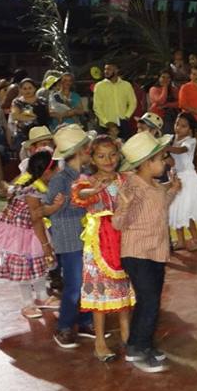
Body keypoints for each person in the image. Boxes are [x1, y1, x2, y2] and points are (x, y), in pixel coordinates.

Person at [112, 131, 181, 373]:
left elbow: (160, 206)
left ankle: (140, 344)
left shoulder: (154, 186)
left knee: (150, 301)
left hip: (156, 250)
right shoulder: (132, 187)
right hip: (137, 252)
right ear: (146, 163)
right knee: (149, 300)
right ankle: (138, 350)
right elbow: (118, 223)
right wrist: (124, 206)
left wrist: (173, 189)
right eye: (161, 159)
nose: (165, 163)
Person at [71, 135, 135, 362]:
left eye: (112, 155)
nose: (108, 160)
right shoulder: (87, 181)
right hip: (99, 242)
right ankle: (99, 342)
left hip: (123, 239)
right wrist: (93, 191)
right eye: (101, 156)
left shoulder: (125, 178)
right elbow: (78, 195)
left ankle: (127, 336)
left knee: (124, 289)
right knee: (100, 291)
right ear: (92, 159)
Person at [0, 150, 62, 320]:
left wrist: (54, 207)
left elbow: (39, 211)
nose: (59, 171)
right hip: (20, 234)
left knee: (38, 265)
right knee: (25, 268)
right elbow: (36, 217)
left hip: (27, 229)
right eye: (56, 169)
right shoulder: (33, 190)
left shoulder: (28, 181)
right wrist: (46, 245)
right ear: (47, 172)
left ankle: (42, 296)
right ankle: (27, 303)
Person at [44, 125, 94, 350]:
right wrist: (72, 201)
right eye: (87, 147)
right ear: (81, 150)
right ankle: (64, 326)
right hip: (69, 237)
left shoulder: (87, 175)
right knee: (74, 285)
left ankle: (85, 321)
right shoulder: (60, 179)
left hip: (87, 235)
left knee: (88, 281)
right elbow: (50, 209)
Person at [167, 112, 197, 252]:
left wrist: (165, 148)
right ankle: (181, 241)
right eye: (177, 124)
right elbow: (172, 160)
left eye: (183, 126)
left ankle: (196, 239)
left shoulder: (190, 141)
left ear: (190, 129)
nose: (178, 128)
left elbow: (180, 150)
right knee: (176, 209)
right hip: (176, 178)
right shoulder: (172, 140)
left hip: (188, 179)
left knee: (186, 211)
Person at [92, 63, 137, 140]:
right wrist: (106, 122)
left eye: (109, 69)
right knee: (106, 146)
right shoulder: (99, 86)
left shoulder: (126, 85)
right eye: (105, 69)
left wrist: (126, 116)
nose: (106, 71)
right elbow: (96, 107)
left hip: (123, 124)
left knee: (125, 146)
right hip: (105, 126)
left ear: (116, 70)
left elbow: (133, 103)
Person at [10, 78, 50, 148]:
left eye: (30, 88)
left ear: (35, 89)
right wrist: (33, 117)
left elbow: (49, 114)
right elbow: (15, 116)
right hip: (23, 134)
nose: (27, 90)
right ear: (20, 90)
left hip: (41, 134)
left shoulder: (43, 101)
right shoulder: (17, 102)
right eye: (24, 89)